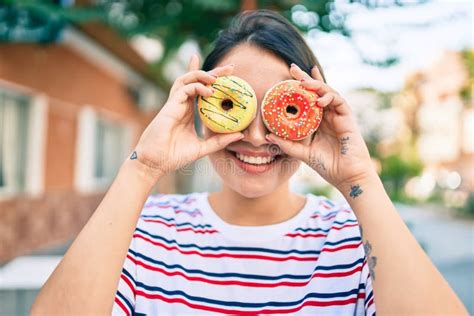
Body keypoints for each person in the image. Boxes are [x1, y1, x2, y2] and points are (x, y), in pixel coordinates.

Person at [31, 10, 467, 315]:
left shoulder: (357, 243)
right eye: (236, 106)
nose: (257, 137)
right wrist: (143, 167)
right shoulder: (145, 232)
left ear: (316, 115)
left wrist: (361, 181)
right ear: (199, 110)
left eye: (278, 109)